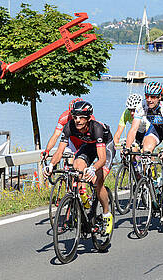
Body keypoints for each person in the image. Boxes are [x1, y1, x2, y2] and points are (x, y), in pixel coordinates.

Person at [43, 100, 116, 235]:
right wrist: (51, 165)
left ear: (88, 118)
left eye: (81, 117)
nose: (77, 120)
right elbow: (59, 152)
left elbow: (102, 159)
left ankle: (106, 214)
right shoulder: (69, 126)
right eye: (75, 117)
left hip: (105, 147)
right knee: (76, 167)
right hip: (88, 146)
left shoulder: (96, 128)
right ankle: (80, 201)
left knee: (98, 182)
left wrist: (93, 168)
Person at [124, 81, 163, 224]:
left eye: (153, 97)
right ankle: (151, 179)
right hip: (156, 129)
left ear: (160, 96)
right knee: (146, 150)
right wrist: (127, 147)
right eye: (147, 96)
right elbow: (133, 129)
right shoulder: (142, 106)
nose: (149, 99)